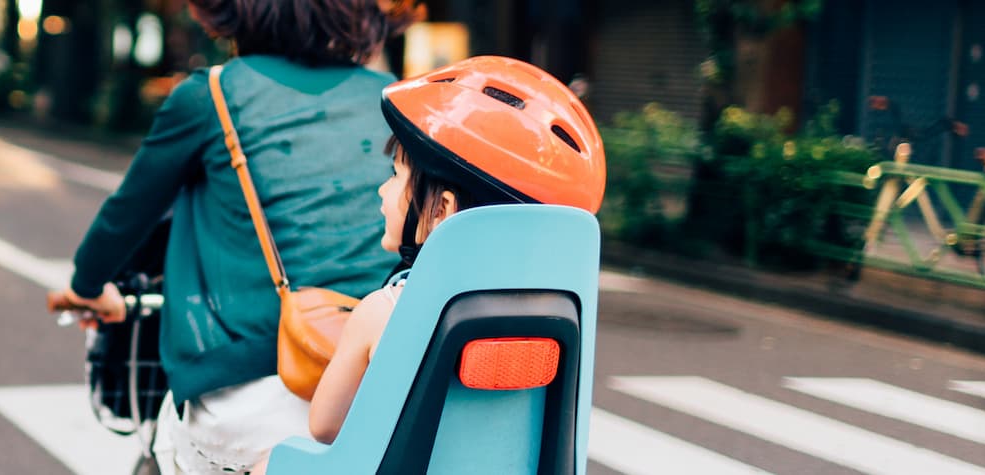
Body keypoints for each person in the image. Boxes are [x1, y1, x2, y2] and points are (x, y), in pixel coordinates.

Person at [47, 1, 418, 473]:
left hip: (251, 398)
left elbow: (122, 221)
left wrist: (86, 289)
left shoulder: (211, 95)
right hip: (381, 391)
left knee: (171, 446)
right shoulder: (395, 97)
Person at [304, 56, 608, 446]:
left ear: (442, 210)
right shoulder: (556, 316)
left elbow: (325, 426)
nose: (383, 191)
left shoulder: (384, 311)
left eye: (395, 177)